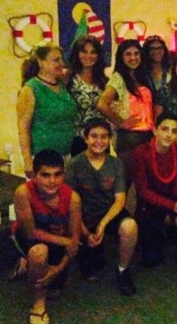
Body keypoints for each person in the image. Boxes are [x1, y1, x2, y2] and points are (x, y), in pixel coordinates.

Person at [65, 118, 138, 295]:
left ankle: (122, 270)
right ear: (86, 138)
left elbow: (120, 200)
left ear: (110, 139)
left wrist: (103, 225)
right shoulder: (74, 164)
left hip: (109, 213)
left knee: (130, 226)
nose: (99, 141)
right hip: (84, 217)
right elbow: (70, 204)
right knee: (91, 272)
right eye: (94, 136)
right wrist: (85, 232)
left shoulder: (116, 163)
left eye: (104, 137)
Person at [13, 149, 81, 324]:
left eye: (57, 175)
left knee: (55, 291)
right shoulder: (23, 192)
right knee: (39, 252)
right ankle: (38, 305)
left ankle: (29, 265)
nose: (52, 181)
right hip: (30, 237)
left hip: (57, 240)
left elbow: (75, 242)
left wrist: (57, 269)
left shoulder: (73, 199)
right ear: (34, 176)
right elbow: (30, 232)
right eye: (45, 175)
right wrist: (65, 241)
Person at [132, 111, 177, 279]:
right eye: (164, 129)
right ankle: (162, 234)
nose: (169, 135)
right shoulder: (141, 152)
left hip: (171, 200)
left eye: (174, 131)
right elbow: (143, 191)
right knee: (151, 260)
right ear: (155, 130)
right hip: (149, 205)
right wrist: (173, 205)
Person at [97, 39, 154, 187]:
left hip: (147, 136)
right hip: (130, 138)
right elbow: (102, 104)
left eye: (136, 53)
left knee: (145, 183)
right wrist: (120, 122)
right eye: (128, 54)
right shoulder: (118, 78)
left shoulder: (143, 77)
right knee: (125, 182)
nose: (133, 57)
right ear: (121, 57)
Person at [17, 43, 78, 178]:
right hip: (41, 158)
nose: (61, 64)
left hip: (66, 155)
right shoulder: (30, 89)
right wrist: (27, 160)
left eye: (61, 60)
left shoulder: (63, 86)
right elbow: (23, 128)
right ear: (41, 62)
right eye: (56, 60)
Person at [67, 35, 108, 156]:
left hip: (100, 139)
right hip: (78, 139)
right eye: (84, 52)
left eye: (93, 52)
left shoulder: (104, 81)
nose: (88, 56)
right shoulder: (68, 79)